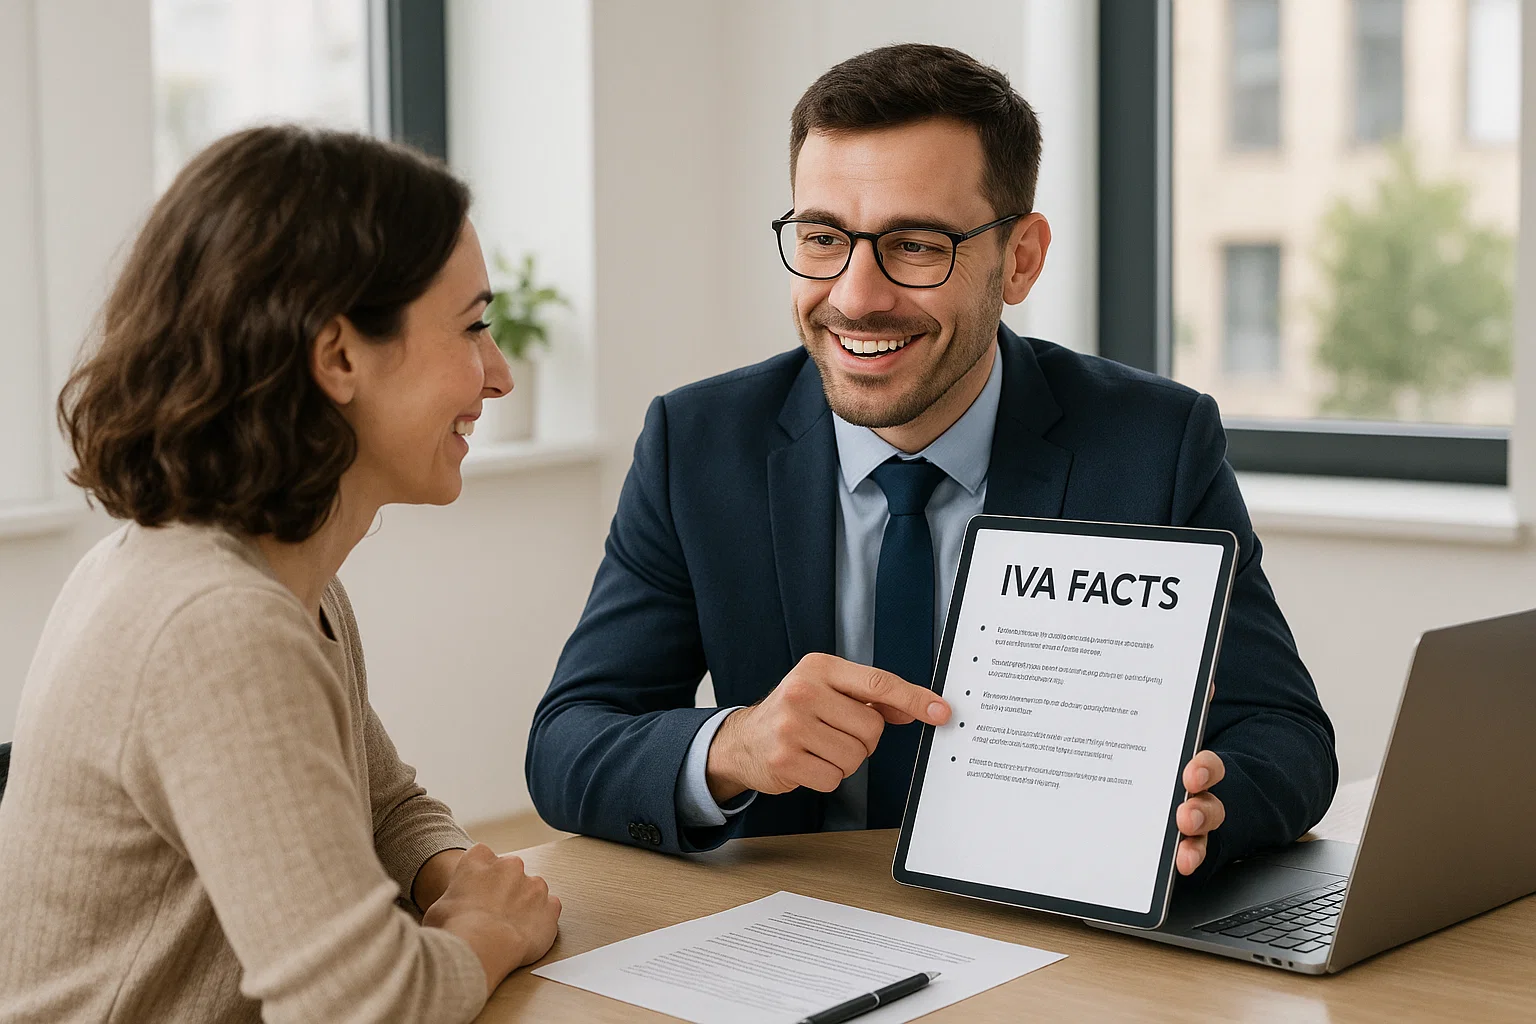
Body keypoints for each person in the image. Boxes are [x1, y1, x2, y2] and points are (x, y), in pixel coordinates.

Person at [527, 43, 1337, 877]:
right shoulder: (697, 443)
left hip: (1051, 929)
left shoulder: (1154, 443)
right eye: (821, 237)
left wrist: (1207, 807)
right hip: (798, 931)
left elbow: (1286, 736)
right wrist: (730, 746)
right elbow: (569, 742)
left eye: (914, 245)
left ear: (1019, 258)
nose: (854, 295)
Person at [0, 126, 560, 1023]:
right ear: (338, 356)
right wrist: (490, 935)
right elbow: (366, 1004)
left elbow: (385, 807)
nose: (495, 374)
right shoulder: (216, 623)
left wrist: (461, 880)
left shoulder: (284, 581)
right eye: (471, 328)